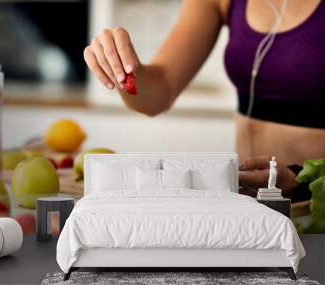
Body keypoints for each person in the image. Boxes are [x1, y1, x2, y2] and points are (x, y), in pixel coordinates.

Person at [83, 0, 325, 200]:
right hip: (246, 202)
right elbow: (157, 95)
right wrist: (123, 70)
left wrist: (301, 178)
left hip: (315, 203)